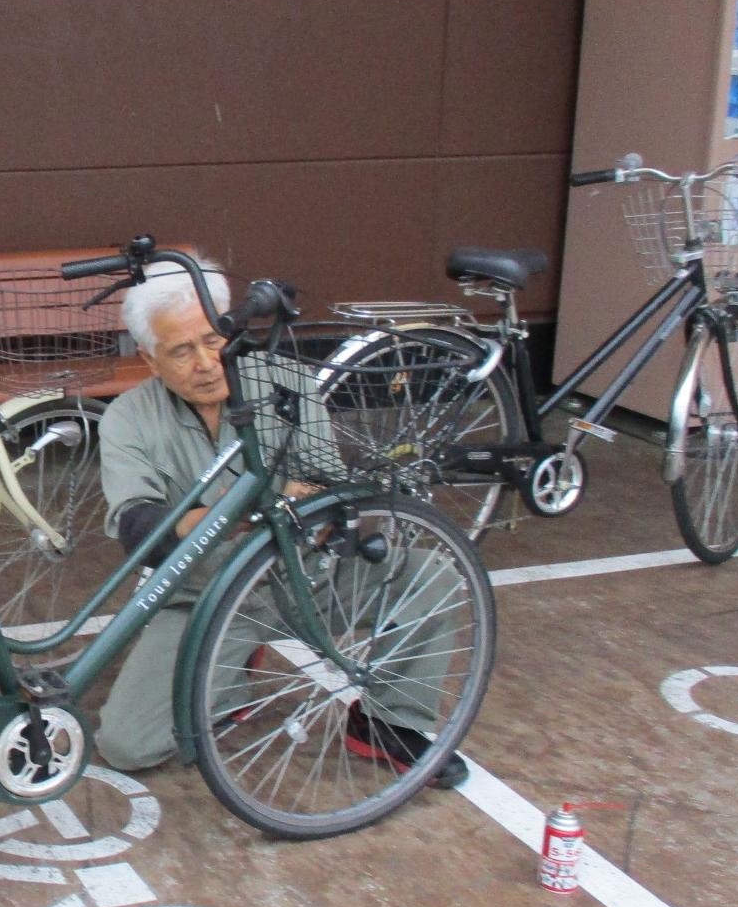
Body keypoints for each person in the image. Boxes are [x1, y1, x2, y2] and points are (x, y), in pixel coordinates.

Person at [95, 258, 468, 787]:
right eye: (180, 351)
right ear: (150, 360)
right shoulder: (127, 418)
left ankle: (389, 724)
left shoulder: (288, 383)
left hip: (307, 579)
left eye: (213, 339)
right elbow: (139, 530)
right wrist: (255, 510)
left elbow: (329, 494)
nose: (205, 363)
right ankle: (230, 681)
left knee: (431, 577)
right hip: (203, 597)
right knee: (126, 745)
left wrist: (316, 509)